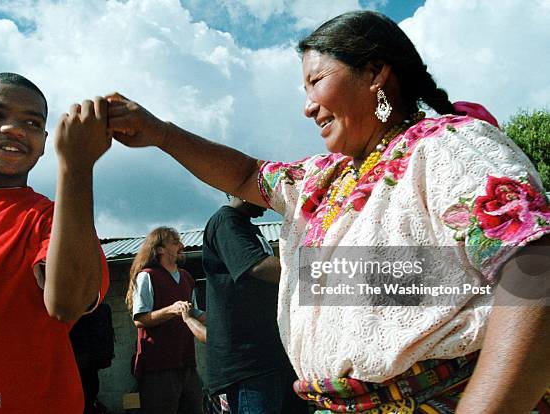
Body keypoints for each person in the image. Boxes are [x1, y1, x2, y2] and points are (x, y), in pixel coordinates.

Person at [106, 10, 549, 413]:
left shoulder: (447, 146)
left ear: (375, 72)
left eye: (316, 81)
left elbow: (536, 269)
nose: (307, 106)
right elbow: (244, 175)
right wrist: (158, 132)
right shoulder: (322, 181)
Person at [0, 73, 110, 413]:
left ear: (45, 142)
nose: (14, 129)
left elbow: (67, 303)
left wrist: (76, 166)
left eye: (31, 122)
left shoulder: (53, 220)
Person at [201, 195, 308, 414]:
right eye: (263, 197)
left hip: (270, 357)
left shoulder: (248, 227)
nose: (268, 206)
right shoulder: (225, 221)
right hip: (248, 363)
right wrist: (315, 274)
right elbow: (258, 266)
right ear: (240, 191)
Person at [125, 226, 204, 414]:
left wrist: (221, 318)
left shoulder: (186, 277)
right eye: (174, 242)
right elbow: (140, 319)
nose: (181, 245)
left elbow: (194, 313)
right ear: (160, 249)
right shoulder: (148, 276)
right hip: (158, 367)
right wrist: (171, 310)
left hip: (187, 363)